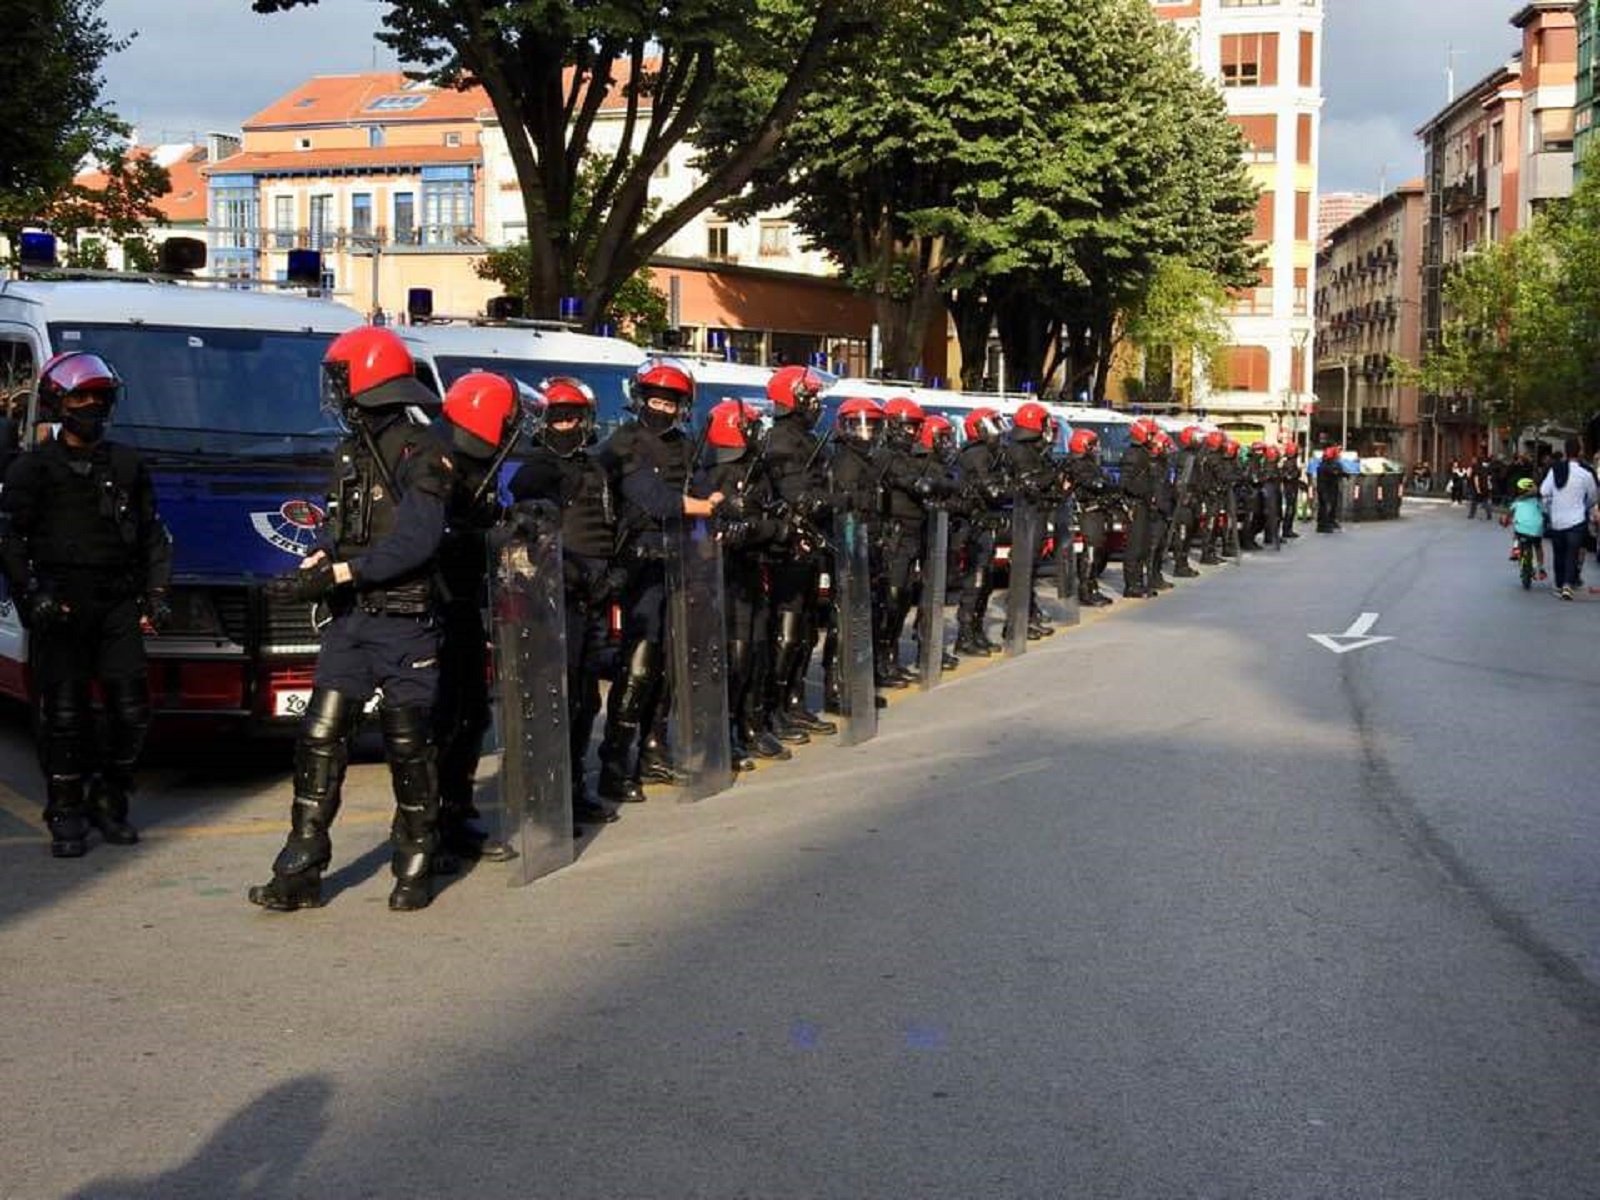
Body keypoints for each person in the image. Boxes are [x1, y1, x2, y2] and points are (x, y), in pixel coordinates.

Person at [248, 326, 451, 913]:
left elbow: (417, 541)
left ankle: (414, 863)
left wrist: (341, 574)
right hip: (352, 621)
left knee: (408, 747)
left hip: (404, 621)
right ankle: (300, 870)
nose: (334, 391)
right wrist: (318, 560)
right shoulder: (351, 450)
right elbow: (344, 530)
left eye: (341, 378)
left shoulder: (423, 449)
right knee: (318, 738)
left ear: (366, 380)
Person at [0, 352, 172, 858]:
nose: (91, 405)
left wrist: (157, 595)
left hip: (116, 602)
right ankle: (66, 810)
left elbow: (153, 536)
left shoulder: (126, 464)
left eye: (99, 396)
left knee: (131, 712)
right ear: (58, 402)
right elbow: (10, 539)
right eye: (80, 396)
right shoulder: (32, 469)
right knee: (66, 714)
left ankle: (109, 800)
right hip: (62, 605)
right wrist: (34, 595)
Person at [593, 359, 722, 803]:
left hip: (683, 564)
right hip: (640, 565)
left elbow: (706, 486)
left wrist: (715, 501)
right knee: (639, 666)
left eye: (669, 401)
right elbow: (653, 499)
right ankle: (615, 762)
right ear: (640, 399)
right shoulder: (623, 443)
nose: (661, 408)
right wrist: (702, 507)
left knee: (669, 662)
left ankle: (654, 745)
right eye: (654, 399)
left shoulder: (686, 446)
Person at [508, 377, 629, 824]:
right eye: (557, 416)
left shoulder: (597, 468)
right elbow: (530, 537)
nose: (566, 424)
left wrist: (617, 569)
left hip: (596, 596)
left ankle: (573, 786)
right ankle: (545, 793)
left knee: (584, 701)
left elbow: (616, 524)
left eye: (573, 416)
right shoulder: (536, 470)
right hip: (555, 599)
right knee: (554, 698)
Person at [431, 370, 531, 866]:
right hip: (434, 612)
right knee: (441, 722)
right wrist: (486, 539)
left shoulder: (478, 466)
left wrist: (515, 526)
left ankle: (457, 813)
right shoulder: (438, 462)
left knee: (473, 714)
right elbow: (432, 538)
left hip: (467, 606)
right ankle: (428, 829)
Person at [1539, 445, 1599, 599]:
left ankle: (1559, 585)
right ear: (1579, 452)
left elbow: (1544, 491)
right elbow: (1593, 496)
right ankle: (1567, 585)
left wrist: (1550, 506)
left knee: (1559, 553)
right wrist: (1585, 506)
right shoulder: (1585, 474)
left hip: (1558, 520)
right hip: (1577, 520)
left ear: (1565, 452)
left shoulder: (1555, 471)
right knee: (1572, 553)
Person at [1501, 477, 1547, 582]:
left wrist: (1505, 522)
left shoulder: (1517, 502)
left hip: (1521, 529)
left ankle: (1516, 549)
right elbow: (1545, 512)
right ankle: (1540, 567)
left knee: (1517, 533)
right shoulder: (1538, 501)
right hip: (1536, 530)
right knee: (1538, 546)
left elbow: (1508, 515)